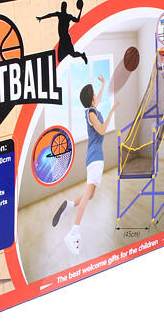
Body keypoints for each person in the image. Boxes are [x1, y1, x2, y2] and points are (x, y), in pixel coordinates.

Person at [52, 76, 120, 255]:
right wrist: (112, 111)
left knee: (90, 195)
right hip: (95, 158)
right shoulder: (91, 113)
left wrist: (103, 84)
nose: (97, 96)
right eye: (95, 94)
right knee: (88, 194)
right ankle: (74, 232)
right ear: (91, 99)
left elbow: (98, 98)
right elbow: (102, 130)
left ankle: (69, 205)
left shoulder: (91, 110)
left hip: (94, 157)